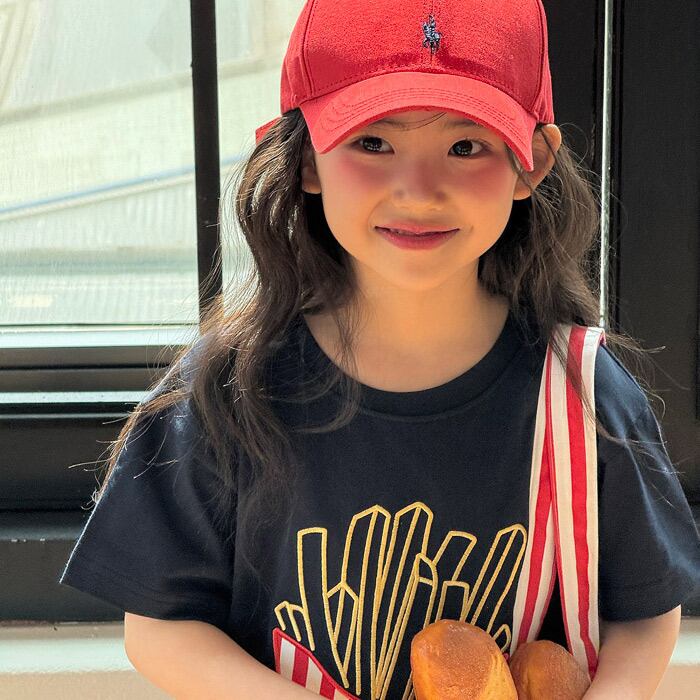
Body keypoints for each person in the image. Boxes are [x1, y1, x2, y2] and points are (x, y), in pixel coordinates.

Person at [59, 1, 700, 698]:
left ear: (531, 164)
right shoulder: (227, 388)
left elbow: (644, 611)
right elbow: (160, 628)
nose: (418, 191)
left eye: (466, 146)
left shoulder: (581, 394)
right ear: (305, 158)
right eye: (372, 142)